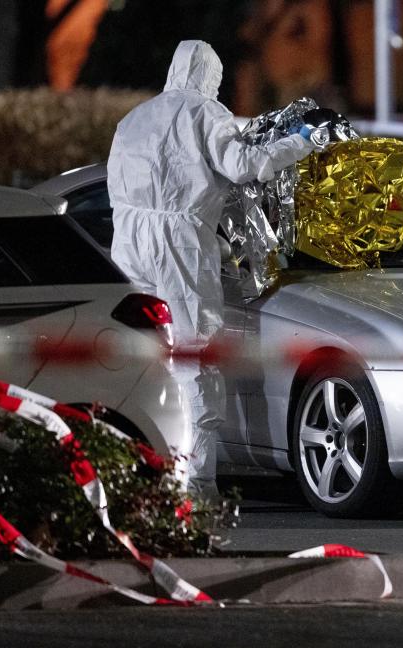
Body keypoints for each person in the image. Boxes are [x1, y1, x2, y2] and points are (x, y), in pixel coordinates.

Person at [107, 40, 327, 502]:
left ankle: (139, 473)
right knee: (196, 355)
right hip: (181, 244)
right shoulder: (207, 115)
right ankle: (198, 488)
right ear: (212, 77)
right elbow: (248, 166)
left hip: (127, 240)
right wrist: (303, 141)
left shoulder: (134, 119)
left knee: (142, 355)